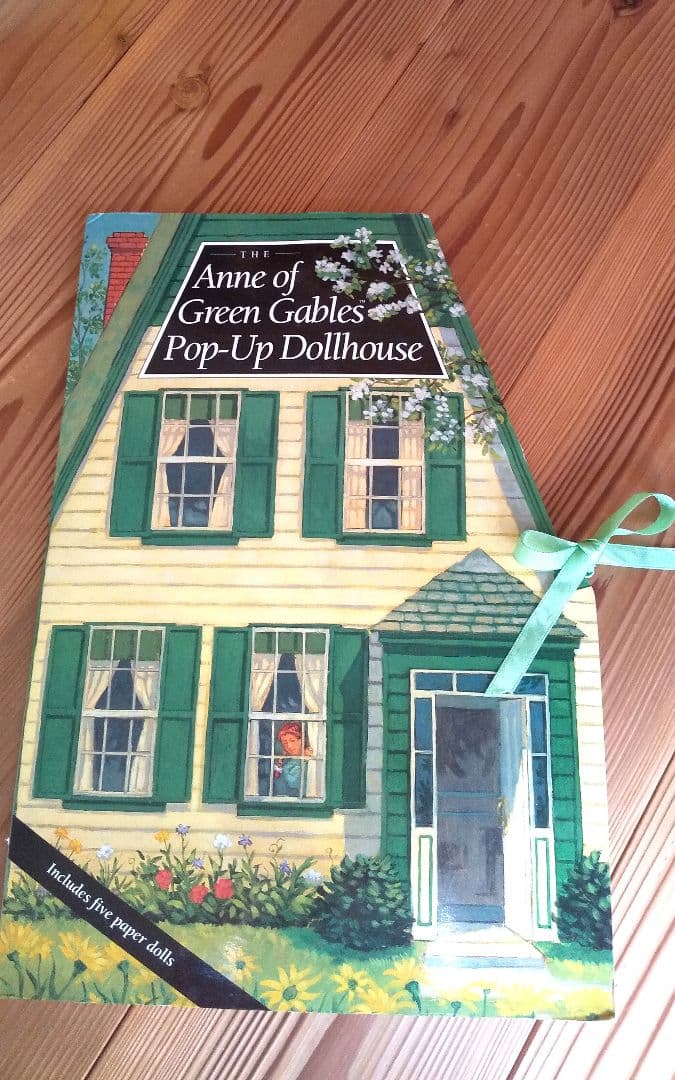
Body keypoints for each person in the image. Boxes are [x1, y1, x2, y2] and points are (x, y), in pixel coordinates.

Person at [273, 721, 313, 797]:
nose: (289, 746)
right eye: (285, 743)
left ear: (301, 740)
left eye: (292, 741)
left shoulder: (311, 760)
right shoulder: (284, 762)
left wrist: (306, 760)